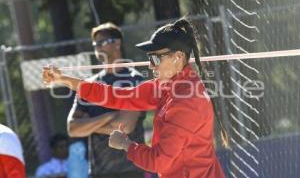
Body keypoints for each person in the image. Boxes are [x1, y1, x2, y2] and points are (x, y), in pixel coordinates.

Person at [42, 18, 226, 178]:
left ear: (178, 57)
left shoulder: (186, 101)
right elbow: (118, 95)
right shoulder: (167, 85)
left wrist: (126, 145)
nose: (151, 66)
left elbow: (159, 161)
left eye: (155, 59)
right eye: (149, 58)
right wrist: (64, 79)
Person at [67, 22, 146, 178]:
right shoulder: (88, 84)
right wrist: (109, 116)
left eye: (102, 42)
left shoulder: (134, 79)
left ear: (117, 43)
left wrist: (89, 124)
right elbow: (72, 129)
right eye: (95, 44)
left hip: (131, 170)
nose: (97, 47)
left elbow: (126, 126)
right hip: (98, 172)